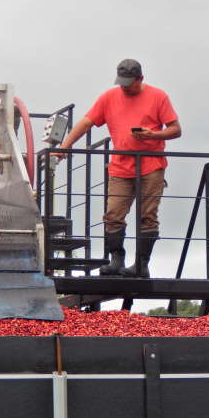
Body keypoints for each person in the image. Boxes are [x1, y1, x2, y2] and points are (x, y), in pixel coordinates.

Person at [55, 59, 181, 277]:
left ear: (140, 79)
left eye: (128, 82)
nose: (123, 86)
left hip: (151, 165)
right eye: (121, 82)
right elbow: (86, 122)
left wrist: (152, 134)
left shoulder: (158, 96)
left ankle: (142, 265)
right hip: (120, 166)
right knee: (113, 213)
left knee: (148, 215)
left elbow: (176, 129)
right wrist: (64, 147)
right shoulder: (109, 97)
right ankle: (116, 260)